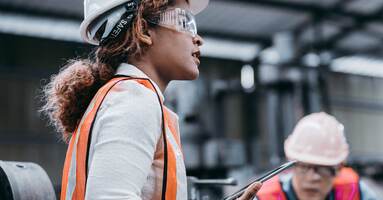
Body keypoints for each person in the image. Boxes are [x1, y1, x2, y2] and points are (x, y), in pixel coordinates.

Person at [40, 0, 261, 199]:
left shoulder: (122, 96)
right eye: (185, 22)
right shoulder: (135, 99)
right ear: (144, 30)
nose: (198, 39)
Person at [256, 112, 377, 200]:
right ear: (291, 163)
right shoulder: (264, 197)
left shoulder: (356, 193)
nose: (313, 177)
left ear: (339, 168)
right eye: (304, 166)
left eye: (323, 168)